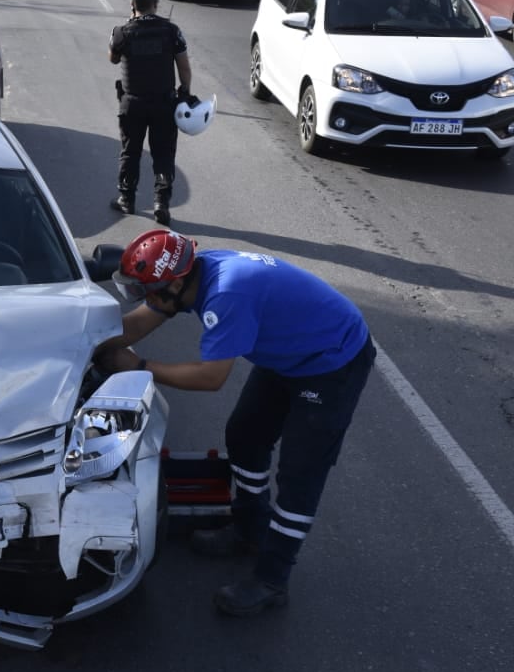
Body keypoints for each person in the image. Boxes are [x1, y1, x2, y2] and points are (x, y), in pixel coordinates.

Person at [96, 229, 376, 617]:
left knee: (301, 473)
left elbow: (211, 378)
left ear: (175, 283)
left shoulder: (226, 294)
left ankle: (272, 579)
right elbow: (136, 326)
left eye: (149, 291)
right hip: (290, 354)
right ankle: (250, 529)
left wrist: (140, 366)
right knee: (245, 436)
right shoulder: (190, 275)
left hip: (332, 360)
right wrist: (89, 345)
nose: (146, 300)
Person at [109, 0, 192, 225]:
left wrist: (127, 23)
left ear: (133, 5)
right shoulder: (171, 31)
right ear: (156, 5)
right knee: (163, 153)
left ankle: (126, 198)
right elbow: (184, 68)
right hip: (163, 105)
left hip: (132, 104)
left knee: (130, 152)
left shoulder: (122, 32)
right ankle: (161, 203)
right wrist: (185, 93)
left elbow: (113, 59)